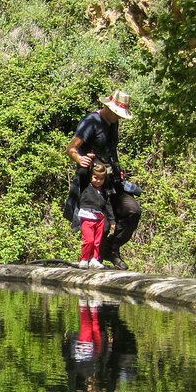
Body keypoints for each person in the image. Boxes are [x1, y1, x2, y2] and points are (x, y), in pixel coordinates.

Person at [64, 90, 142, 270]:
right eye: (117, 114)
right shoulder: (91, 121)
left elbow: (111, 148)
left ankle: (111, 248)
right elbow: (71, 149)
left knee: (133, 210)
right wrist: (80, 159)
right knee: (102, 224)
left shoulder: (113, 123)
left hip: (112, 179)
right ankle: (94, 259)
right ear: (108, 107)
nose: (119, 118)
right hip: (94, 181)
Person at [76, 161, 114, 269]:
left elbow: (108, 206)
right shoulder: (85, 186)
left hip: (99, 218)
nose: (98, 181)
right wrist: (87, 162)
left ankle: (94, 259)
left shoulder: (104, 191)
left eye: (101, 179)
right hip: (87, 216)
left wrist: (112, 221)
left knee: (98, 241)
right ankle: (84, 259)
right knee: (89, 240)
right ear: (91, 177)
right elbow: (82, 173)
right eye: (95, 178)